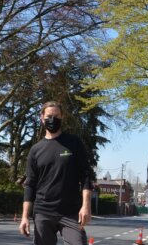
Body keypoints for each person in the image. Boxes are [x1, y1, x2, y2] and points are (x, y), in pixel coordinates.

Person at [19, 101, 92, 245]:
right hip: (43, 212)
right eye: (49, 116)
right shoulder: (35, 150)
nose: (53, 119)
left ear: (62, 117)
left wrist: (86, 206)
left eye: (56, 116)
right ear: (42, 118)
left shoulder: (74, 143)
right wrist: (24, 217)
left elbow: (86, 176)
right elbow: (30, 185)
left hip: (70, 212)